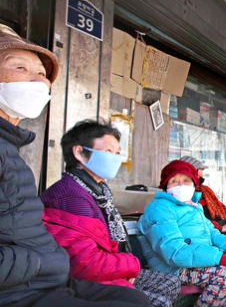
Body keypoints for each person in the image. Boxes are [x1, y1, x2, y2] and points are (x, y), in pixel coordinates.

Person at [0, 24, 150, 306]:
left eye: (42, 74)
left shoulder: (12, 149)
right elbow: (85, 260)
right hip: (28, 286)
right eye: (20, 68)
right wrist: (41, 261)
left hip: (49, 278)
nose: (36, 81)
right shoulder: (70, 194)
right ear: (80, 153)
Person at [40, 120, 181, 307]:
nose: (116, 158)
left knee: (170, 282)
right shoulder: (70, 196)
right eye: (108, 152)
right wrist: (129, 267)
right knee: (158, 300)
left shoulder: (98, 191)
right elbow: (85, 264)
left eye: (117, 153)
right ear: (79, 152)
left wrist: (126, 269)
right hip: (83, 281)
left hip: (110, 268)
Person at [138, 160, 226, 307]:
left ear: (194, 184)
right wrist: (219, 257)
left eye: (186, 180)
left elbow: (212, 233)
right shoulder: (159, 209)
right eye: (174, 181)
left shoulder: (193, 206)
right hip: (175, 268)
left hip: (199, 260)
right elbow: (174, 252)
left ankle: (219, 303)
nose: (180, 185)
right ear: (165, 186)